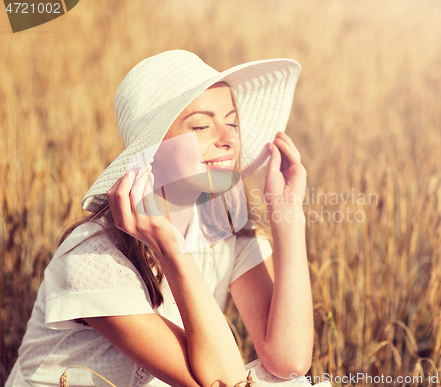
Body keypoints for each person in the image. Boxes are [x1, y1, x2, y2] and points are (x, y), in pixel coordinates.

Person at [6, 50, 315, 387]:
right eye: (201, 125)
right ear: (150, 151)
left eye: (233, 123)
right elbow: (223, 382)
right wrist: (171, 251)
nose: (228, 140)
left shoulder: (225, 228)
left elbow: (290, 363)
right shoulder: (92, 258)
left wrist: (287, 214)